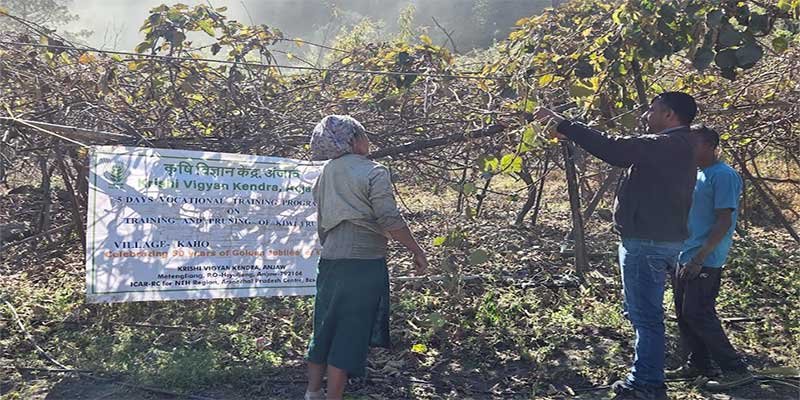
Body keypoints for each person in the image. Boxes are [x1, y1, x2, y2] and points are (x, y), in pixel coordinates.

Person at [533, 92, 699, 400]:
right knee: (648, 314)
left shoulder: (666, 144)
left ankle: (647, 383)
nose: (647, 116)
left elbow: (616, 149)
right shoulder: (684, 144)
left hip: (646, 242)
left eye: (653, 110)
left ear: (670, 115)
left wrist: (564, 124)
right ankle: (649, 377)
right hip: (663, 238)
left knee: (645, 316)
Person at [304, 115, 428, 400]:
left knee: (325, 325)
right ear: (355, 140)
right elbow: (389, 220)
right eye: (365, 135)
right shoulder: (374, 171)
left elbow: (322, 218)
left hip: (331, 261)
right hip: (362, 264)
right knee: (349, 332)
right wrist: (416, 250)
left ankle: (312, 393)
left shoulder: (325, 173)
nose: (369, 140)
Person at [666, 126, 753, 390]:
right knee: (683, 312)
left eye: (693, 144)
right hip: (685, 252)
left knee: (698, 312)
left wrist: (700, 258)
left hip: (706, 258)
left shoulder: (724, 175)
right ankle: (698, 364)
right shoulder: (698, 174)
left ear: (709, 145)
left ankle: (735, 369)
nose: (688, 149)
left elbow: (724, 220)